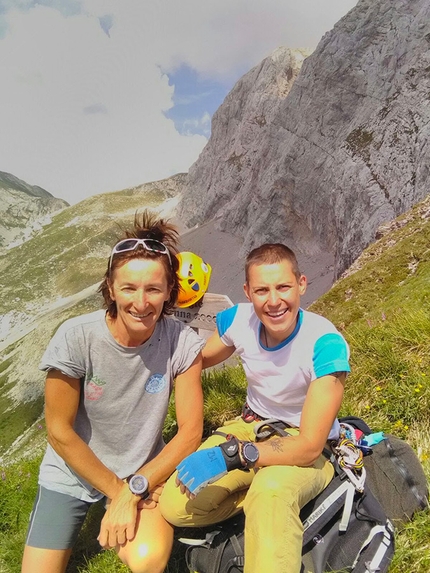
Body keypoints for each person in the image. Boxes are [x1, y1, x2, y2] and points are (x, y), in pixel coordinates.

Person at [22, 211, 205, 573]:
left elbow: (190, 433)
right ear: (110, 288)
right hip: (71, 472)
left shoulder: (182, 341)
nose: (142, 302)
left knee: (147, 559)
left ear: (170, 290)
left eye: (154, 288)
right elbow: (59, 432)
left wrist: (135, 486)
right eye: (129, 288)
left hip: (142, 471)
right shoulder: (76, 337)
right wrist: (117, 491)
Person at [159, 243, 351, 573]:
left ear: (301, 284)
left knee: (271, 491)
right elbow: (196, 360)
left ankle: (271, 498)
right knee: (175, 506)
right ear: (248, 292)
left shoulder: (325, 345)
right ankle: (268, 504)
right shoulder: (240, 321)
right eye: (262, 290)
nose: (274, 301)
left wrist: (232, 456)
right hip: (251, 424)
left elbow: (308, 446)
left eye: (284, 287)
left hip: (306, 446)